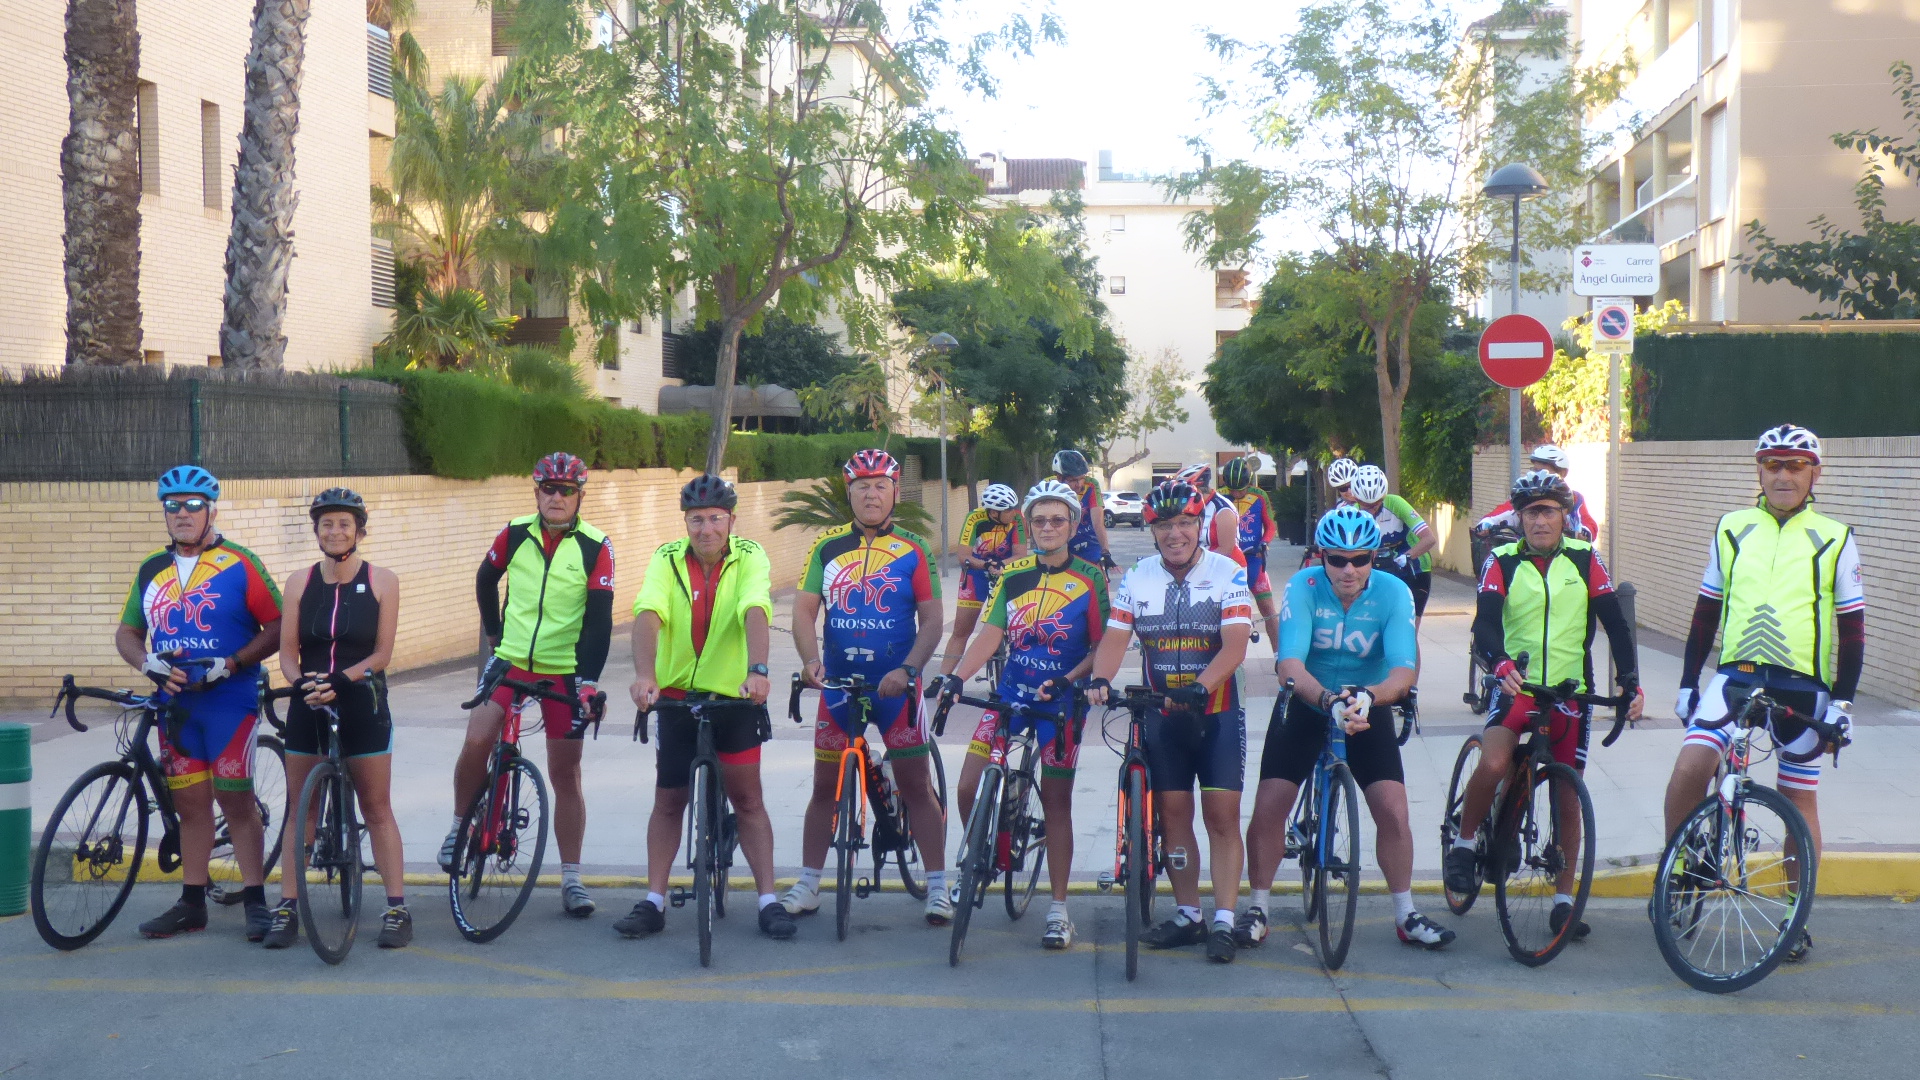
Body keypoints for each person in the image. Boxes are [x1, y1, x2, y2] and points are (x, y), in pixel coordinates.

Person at [1661, 424, 1860, 962]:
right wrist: (1687, 682)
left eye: (1795, 465)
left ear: (1815, 474)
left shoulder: (1835, 537)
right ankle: (1680, 869)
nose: (1783, 475)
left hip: (1804, 687)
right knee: (1689, 768)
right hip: (1736, 677)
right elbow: (1706, 611)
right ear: (1759, 471)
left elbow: (1852, 630)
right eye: (1772, 464)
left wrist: (1844, 703)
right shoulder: (1732, 528)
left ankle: (1796, 914)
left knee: (1799, 799)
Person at [1239, 506, 1455, 952]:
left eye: (1360, 559)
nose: (1348, 570)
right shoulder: (1304, 586)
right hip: (1309, 700)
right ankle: (1258, 908)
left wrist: (1370, 696)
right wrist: (1325, 700)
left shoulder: (1395, 592)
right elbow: (1289, 664)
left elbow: (1403, 671)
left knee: (1393, 810)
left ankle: (1406, 913)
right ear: (1322, 556)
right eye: (1337, 559)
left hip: (1365, 703)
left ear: (1374, 557)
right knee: (1269, 806)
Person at [1446, 471, 1643, 940]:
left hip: (1570, 692)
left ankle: (1563, 900)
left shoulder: (1585, 559)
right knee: (1495, 761)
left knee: (1567, 795)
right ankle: (1465, 844)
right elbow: (1486, 624)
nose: (1539, 521)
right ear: (1519, 517)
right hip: (1517, 686)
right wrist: (1499, 662)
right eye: (1531, 512)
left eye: (1548, 511)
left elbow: (1615, 624)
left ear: (1564, 516)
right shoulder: (1501, 561)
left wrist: (1629, 683)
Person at [620, 474, 794, 941]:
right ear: (685, 523)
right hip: (677, 699)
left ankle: (768, 900)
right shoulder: (666, 557)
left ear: (731, 520)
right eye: (696, 520)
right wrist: (645, 676)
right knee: (668, 801)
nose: (706, 529)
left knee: (748, 800)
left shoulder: (750, 555)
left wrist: (758, 669)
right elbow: (648, 614)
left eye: (715, 518)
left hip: (736, 698)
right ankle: (654, 900)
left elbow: (755, 609)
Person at [939, 479, 1109, 949]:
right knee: (969, 785)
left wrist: (1072, 679)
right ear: (1028, 525)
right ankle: (977, 856)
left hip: (1060, 702)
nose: (1048, 527)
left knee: (1056, 804)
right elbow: (991, 634)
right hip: (1011, 694)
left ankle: (1058, 910)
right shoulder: (1012, 573)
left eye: (1057, 520)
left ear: (1072, 525)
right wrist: (956, 677)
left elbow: (1100, 647)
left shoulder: (1090, 577)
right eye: (1039, 520)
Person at [442, 452, 614, 918]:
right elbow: (485, 580)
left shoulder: (596, 546)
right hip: (511, 660)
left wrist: (588, 682)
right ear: (536, 492)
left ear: (579, 496)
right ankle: (459, 827)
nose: (557, 497)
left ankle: (572, 879)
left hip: (562, 667)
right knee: (476, 740)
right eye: (548, 489)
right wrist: (494, 633)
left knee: (566, 774)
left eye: (567, 490)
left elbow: (600, 620)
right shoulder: (515, 533)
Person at [1086, 480, 1252, 963]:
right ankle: (1188, 914)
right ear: (1152, 530)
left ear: (1200, 526)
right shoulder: (1138, 576)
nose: (1174, 533)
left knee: (1221, 817)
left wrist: (1201, 685)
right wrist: (1100, 678)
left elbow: (1235, 644)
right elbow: (1116, 637)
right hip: (1161, 715)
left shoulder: (1227, 571)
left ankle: (1224, 920)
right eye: (1164, 525)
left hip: (1216, 713)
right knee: (1173, 815)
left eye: (1184, 523)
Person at [116, 466, 283, 940]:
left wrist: (232, 663)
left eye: (193, 505)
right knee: (190, 806)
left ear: (211, 510)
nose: (183, 514)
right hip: (177, 707)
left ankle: (255, 900)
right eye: (173, 506)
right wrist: (146, 662)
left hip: (230, 701)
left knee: (235, 799)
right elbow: (127, 632)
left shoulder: (240, 562)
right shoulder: (151, 568)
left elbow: (278, 625)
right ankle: (192, 903)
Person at [785, 450, 949, 924]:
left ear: (895, 492)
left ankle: (939, 886)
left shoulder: (915, 548)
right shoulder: (826, 547)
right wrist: (809, 660)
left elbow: (932, 620)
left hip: (896, 688)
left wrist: (910, 669)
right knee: (824, 786)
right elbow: (803, 612)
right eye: (862, 486)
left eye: (880, 486)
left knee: (916, 786)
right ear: (849, 492)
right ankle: (809, 883)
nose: (871, 494)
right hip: (839, 686)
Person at [262, 489, 408, 950]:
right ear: (316, 530)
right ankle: (287, 907)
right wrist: (301, 684)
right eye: (326, 524)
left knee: (376, 807)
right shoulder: (299, 582)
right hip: (309, 699)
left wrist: (343, 681)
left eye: (344, 523)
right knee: (300, 809)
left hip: (361, 697)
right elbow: (288, 654)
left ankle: (397, 908)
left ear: (360, 531)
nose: (335, 531)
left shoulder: (383, 580)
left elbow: (382, 653)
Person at [939, 483, 1028, 680]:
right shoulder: (974, 519)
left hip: (1005, 571)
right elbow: (963, 556)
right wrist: (986, 565)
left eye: (1014, 508)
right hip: (976, 573)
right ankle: (942, 678)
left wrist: (1000, 565)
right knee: (962, 630)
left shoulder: (1017, 518)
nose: (1013, 512)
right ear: (994, 512)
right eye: (1008, 510)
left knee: (1020, 627)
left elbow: (1021, 554)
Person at [1348, 464, 1438, 623]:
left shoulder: (1396, 503)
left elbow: (1429, 538)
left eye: (1376, 504)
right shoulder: (1352, 513)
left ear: (1383, 497)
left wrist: (1405, 557)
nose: (1371, 511)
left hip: (1414, 568)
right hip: (1379, 570)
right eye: (1366, 506)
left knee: (1409, 627)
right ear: (1356, 498)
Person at [1474, 444, 1598, 541]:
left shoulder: (1574, 498)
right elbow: (1505, 512)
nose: (1537, 475)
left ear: (1562, 473)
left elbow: (1587, 523)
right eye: (1534, 470)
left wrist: (1585, 532)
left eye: (1542, 471)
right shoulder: (1526, 495)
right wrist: (1487, 522)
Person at [1220, 457, 1281, 647]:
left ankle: (1279, 655)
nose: (1237, 494)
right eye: (1232, 489)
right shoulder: (1219, 496)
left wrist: (1265, 543)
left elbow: (1271, 526)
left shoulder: (1259, 496)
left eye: (1241, 489)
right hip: (1229, 561)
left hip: (1254, 558)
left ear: (1249, 482)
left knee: (1269, 611)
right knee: (1223, 612)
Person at [1052, 449, 1112, 571]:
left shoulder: (1091, 484)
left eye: (1082, 478)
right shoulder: (1049, 486)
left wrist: (1106, 552)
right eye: (1073, 480)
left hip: (1089, 543)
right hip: (1061, 543)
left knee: (1096, 576)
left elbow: (1098, 523)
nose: (1079, 484)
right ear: (1059, 477)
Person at [1178, 463, 1245, 569]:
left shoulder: (1223, 510)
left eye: (1184, 491)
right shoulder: (1194, 506)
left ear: (1196, 488)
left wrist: (1194, 564)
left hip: (1227, 567)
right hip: (1202, 564)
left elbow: (1226, 549)